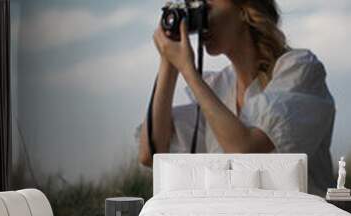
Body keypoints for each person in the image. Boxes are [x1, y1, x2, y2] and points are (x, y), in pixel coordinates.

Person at [135, 0, 336, 196]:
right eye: (195, 7)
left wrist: (189, 71)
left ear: (243, 9)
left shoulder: (299, 69)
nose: (201, 16)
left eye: (207, 5)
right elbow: (151, 154)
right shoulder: (218, 87)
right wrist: (168, 61)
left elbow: (246, 153)